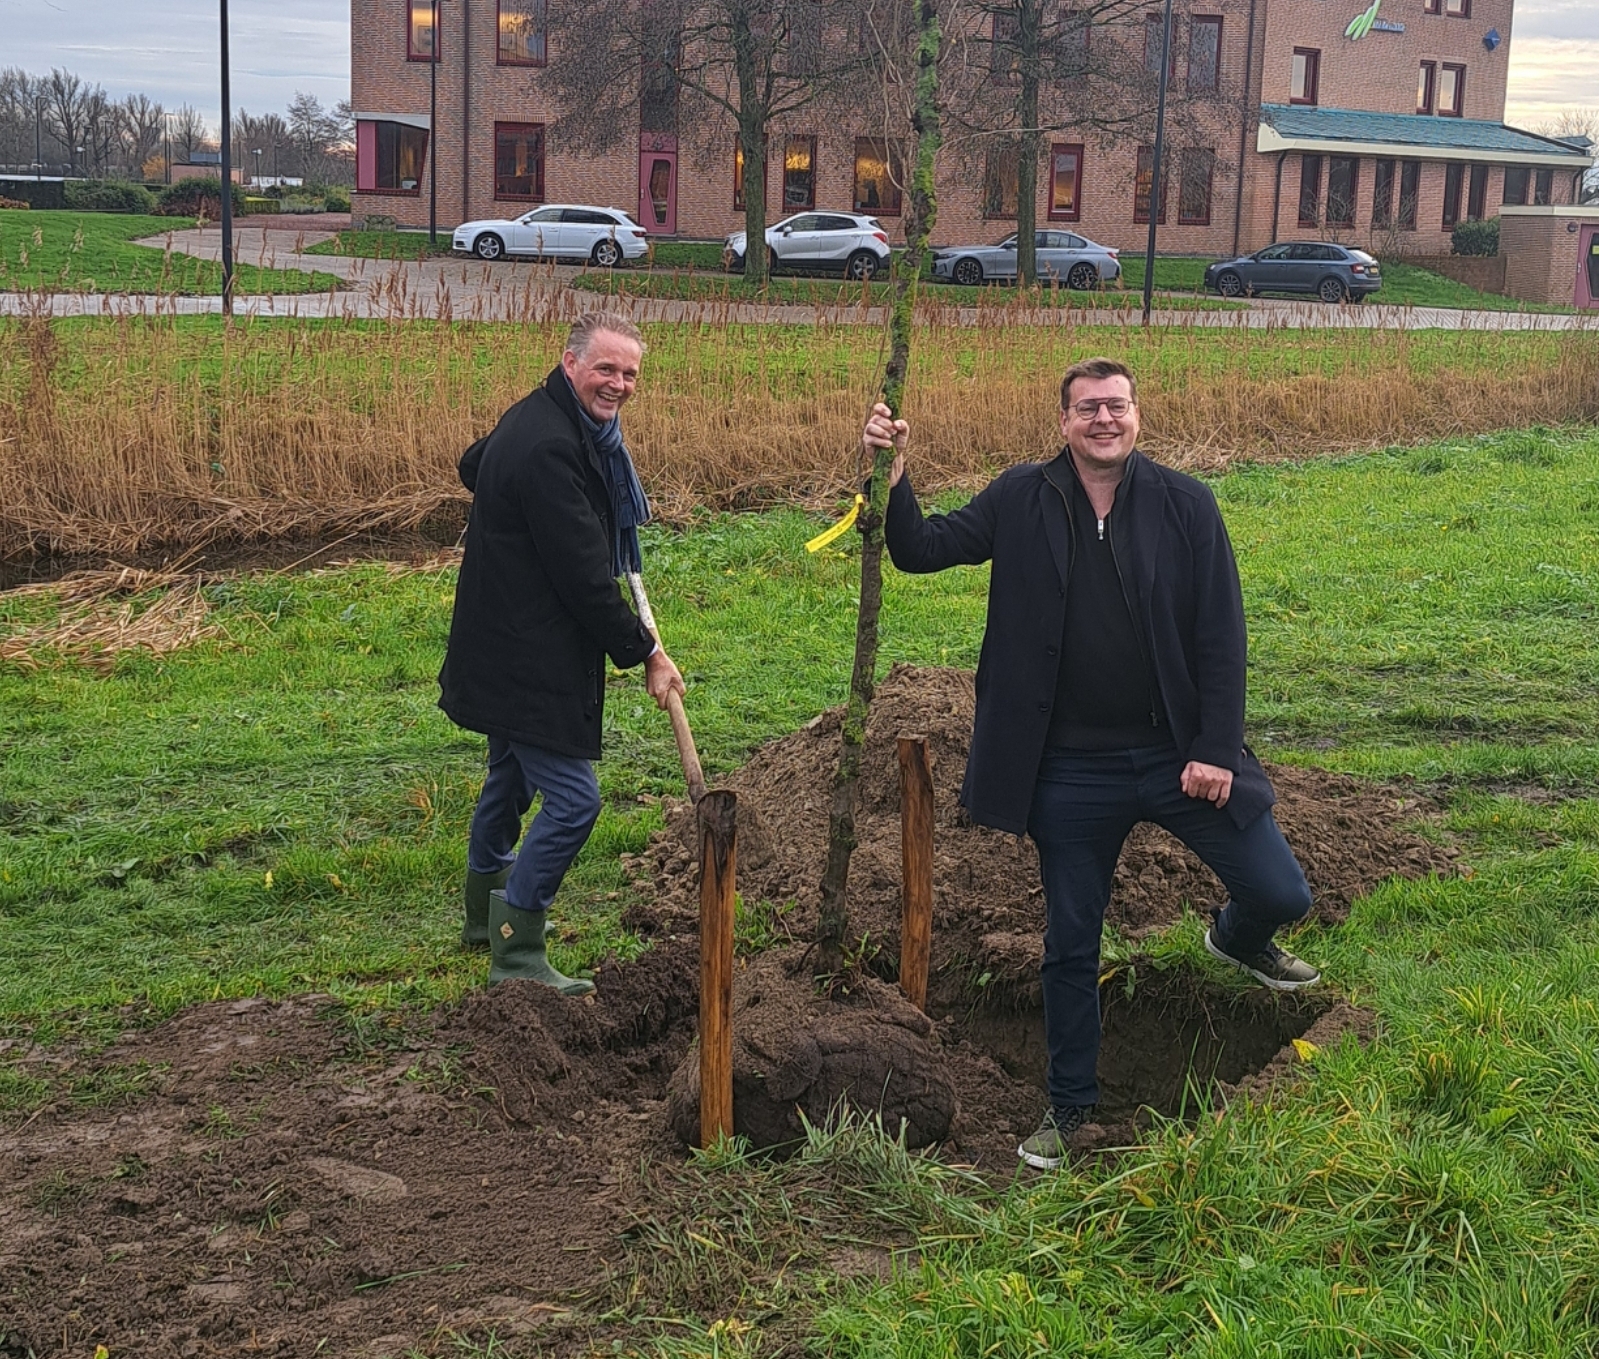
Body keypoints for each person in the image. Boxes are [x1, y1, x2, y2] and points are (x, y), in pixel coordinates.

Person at [863, 356, 1318, 1170]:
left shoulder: (1185, 504)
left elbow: (1221, 634)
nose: (1102, 420)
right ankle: (1069, 1107)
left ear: (1137, 415)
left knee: (1281, 890)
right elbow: (919, 550)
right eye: (1086, 409)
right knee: (1071, 942)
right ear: (1062, 421)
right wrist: (893, 477)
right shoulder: (1019, 497)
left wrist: (1214, 749)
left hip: (1173, 753)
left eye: (1115, 406)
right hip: (1068, 770)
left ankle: (1235, 939)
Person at [439, 312, 684, 994]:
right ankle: (517, 951)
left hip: (497, 640)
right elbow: (584, 580)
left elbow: (473, 463)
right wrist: (646, 654)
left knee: (510, 781)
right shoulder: (552, 448)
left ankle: (482, 921)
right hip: (526, 656)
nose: (619, 384)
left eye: (630, 372)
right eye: (606, 368)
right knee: (574, 801)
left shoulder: (540, 418)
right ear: (569, 362)